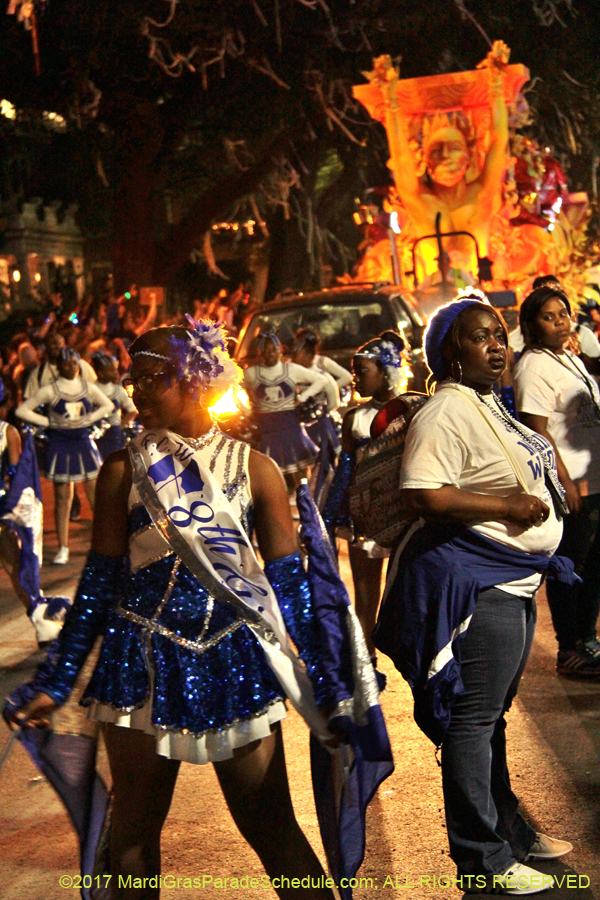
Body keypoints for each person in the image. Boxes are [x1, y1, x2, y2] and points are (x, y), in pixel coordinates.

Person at [13, 319, 335, 900]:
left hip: (234, 660)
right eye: (134, 378)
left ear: (195, 378)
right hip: (139, 666)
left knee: (273, 829)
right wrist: (57, 681)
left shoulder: (255, 470)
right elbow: (97, 586)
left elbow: (290, 586)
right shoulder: (122, 469)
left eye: (152, 378)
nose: (136, 390)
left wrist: (325, 670)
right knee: (132, 839)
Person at [374, 295, 576, 893]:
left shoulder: (491, 403)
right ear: (449, 352)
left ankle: (509, 829)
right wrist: (507, 506)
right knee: (474, 720)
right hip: (478, 581)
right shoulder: (445, 409)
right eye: (479, 336)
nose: (497, 344)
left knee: (491, 719)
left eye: (498, 334)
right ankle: (480, 859)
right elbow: (424, 494)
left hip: (512, 579)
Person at [514, 286, 600, 676]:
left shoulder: (568, 358)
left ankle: (587, 637)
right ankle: (569, 647)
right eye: (549, 317)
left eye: (563, 314)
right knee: (572, 564)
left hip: (594, 476)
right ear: (532, 325)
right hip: (573, 484)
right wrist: (563, 481)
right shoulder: (533, 365)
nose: (560, 322)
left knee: (595, 563)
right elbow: (537, 431)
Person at [323, 331, 406, 663]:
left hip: (403, 513)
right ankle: (365, 657)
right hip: (365, 515)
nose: (355, 377)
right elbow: (345, 471)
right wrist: (329, 518)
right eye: (354, 371)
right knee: (365, 591)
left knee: (406, 588)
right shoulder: (353, 417)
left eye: (362, 370)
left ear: (386, 371)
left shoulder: (411, 410)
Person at [16, 348, 113, 564]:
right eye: (66, 363)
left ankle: (102, 544)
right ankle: (63, 547)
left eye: (74, 363)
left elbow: (108, 405)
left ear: (79, 365)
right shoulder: (50, 390)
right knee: (62, 500)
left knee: (95, 496)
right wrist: (49, 423)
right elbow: (22, 410)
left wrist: (87, 420)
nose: (71, 367)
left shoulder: (87, 387)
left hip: (83, 443)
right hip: (60, 445)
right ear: (58, 366)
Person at [243, 332, 328, 487]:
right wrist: (246, 411)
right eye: (266, 351)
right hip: (267, 430)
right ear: (260, 352)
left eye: (274, 350)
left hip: (291, 426)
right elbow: (233, 388)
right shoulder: (251, 374)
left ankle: (306, 505)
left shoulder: (291, 369)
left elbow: (321, 380)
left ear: (280, 350)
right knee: (270, 476)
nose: (270, 354)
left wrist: (302, 398)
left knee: (301, 476)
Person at [291, 329, 349, 504]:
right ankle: (304, 494)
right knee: (299, 463)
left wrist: (318, 406)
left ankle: (319, 499)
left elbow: (334, 401)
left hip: (319, 427)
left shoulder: (323, 371)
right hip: (297, 426)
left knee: (321, 463)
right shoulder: (291, 371)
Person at [91, 352, 137, 459]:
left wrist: (121, 425)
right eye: (111, 370)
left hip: (113, 434)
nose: (116, 373)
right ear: (100, 373)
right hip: (95, 434)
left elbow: (132, 410)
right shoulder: (91, 389)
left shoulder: (117, 390)